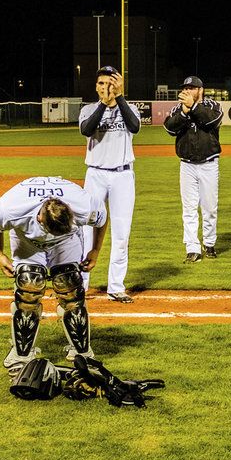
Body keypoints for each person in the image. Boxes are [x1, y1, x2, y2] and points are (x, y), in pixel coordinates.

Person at [0, 176, 107, 374]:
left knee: (70, 286)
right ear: (40, 218)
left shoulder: (83, 204)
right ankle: (21, 355)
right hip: (27, 240)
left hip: (66, 241)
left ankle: (82, 353)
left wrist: (95, 251)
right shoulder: (12, 207)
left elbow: (101, 219)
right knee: (28, 285)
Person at [78, 65, 139, 303]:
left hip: (123, 175)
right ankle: (81, 285)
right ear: (96, 86)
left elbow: (134, 126)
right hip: (95, 174)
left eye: (111, 83)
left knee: (122, 232)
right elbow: (87, 130)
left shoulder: (129, 108)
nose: (107, 87)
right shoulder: (89, 109)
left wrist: (119, 97)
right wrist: (104, 103)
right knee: (86, 232)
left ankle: (116, 286)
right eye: (102, 83)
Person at [164, 75, 223, 263]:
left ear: (200, 90)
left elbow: (211, 122)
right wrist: (184, 111)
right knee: (189, 208)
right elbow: (170, 128)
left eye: (192, 88)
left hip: (209, 164)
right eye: (185, 88)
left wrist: (194, 108)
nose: (187, 91)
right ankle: (192, 248)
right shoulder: (178, 108)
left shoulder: (213, 105)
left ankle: (210, 243)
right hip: (187, 165)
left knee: (209, 207)